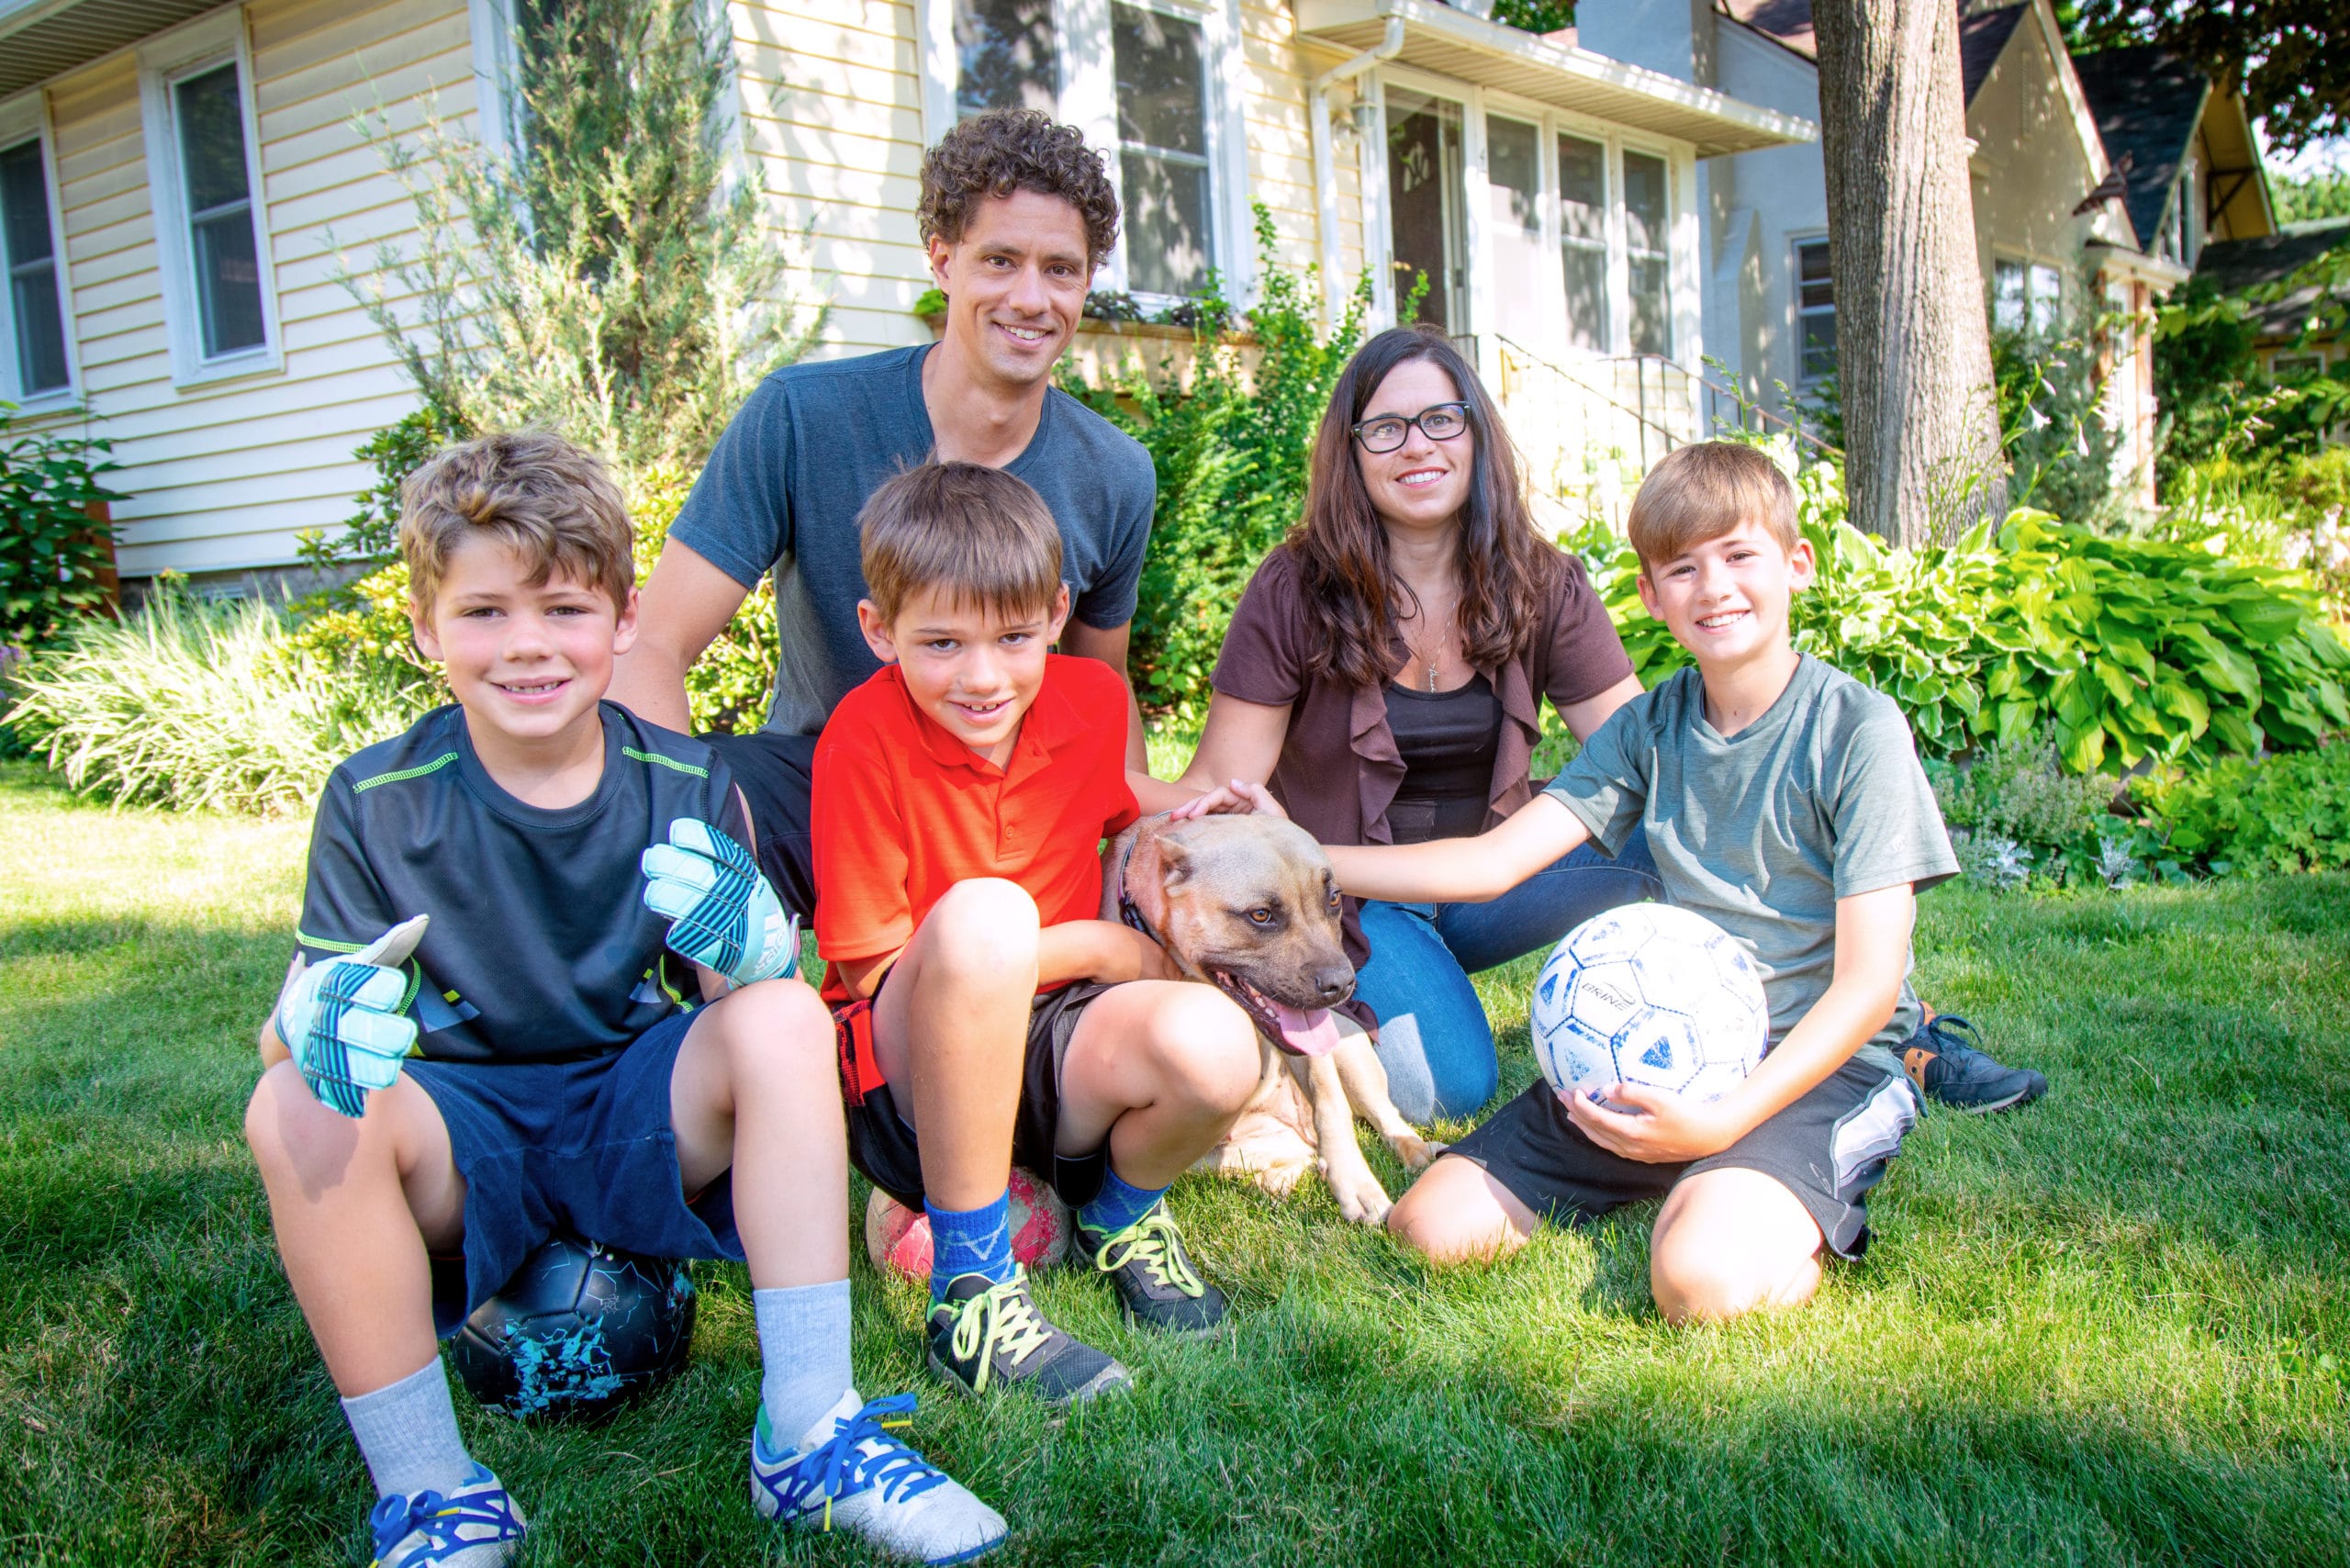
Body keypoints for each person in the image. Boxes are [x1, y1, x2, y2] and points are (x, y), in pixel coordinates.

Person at [241, 434, 1005, 1567]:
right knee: (291, 1103)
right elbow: (291, 1027)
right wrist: (308, 1026)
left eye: (562, 607)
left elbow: (746, 1001)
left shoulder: (686, 778)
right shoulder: (373, 796)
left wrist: (754, 950)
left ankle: (809, 1434)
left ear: (624, 615)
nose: (529, 646)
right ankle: (431, 1492)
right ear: (423, 628)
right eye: (485, 612)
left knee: (786, 1016)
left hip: (636, 1114)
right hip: (464, 1134)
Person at [1179, 326, 2044, 1122]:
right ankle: (1361, 1010)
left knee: (1679, 835)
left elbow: (1662, 765)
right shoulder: (1295, 590)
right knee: (1446, 1089)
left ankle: (1893, 1024)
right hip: (1353, 894)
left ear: (1476, 434)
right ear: (1351, 451)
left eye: (1441, 419)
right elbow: (1225, 797)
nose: (1418, 446)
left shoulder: (1538, 580)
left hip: (1501, 876)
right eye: (1386, 428)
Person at [1204, 441, 1957, 1322]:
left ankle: (1755, 1180)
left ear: (1797, 565)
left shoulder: (1855, 731)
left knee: (1699, 1287)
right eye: (1682, 567)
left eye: (1739, 556)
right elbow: (1490, 864)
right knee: (1431, 1230)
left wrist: (1722, 1125)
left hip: (1811, 1061)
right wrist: (1300, 852)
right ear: (1649, 594)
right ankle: (1686, 1167)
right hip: (1662, 1047)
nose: (1713, 587)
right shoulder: (1652, 726)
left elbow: (1870, 986)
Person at [609, 107, 1155, 923]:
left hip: (1012, 795)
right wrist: (679, 828)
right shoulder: (803, 416)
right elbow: (654, 642)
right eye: (999, 261)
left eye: (1061, 270)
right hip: (820, 771)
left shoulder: (1113, 472)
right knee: (647, 797)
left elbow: (1097, 682)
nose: (1031, 299)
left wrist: (1131, 842)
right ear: (944, 260)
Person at [813, 462, 1261, 1407]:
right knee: (988, 916)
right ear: (877, 630)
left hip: (1052, 1049)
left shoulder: (1090, 703)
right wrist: (1101, 951)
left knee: (1218, 1044)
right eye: (940, 643)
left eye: (1013, 637)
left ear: (1058, 613)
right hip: (909, 1075)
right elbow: (864, 961)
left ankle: (1117, 1214)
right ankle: (973, 1294)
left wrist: (1204, 810)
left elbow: (1108, 807)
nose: (981, 678)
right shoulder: (858, 736)